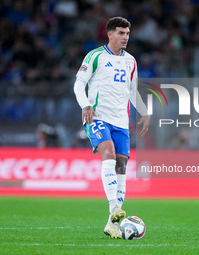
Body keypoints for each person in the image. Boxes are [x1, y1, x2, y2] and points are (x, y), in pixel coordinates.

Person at [73, 17, 150, 239]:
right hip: (97, 115)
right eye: (120, 33)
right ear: (110, 34)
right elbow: (79, 83)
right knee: (108, 153)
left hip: (121, 121)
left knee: (122, 165)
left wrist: (144, 111)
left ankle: (111, 224)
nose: (125, 37)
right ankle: (115, 207)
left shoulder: (131, 62)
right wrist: (85, 104)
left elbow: (132, 91)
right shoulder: (95, 56)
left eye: (127, 33)